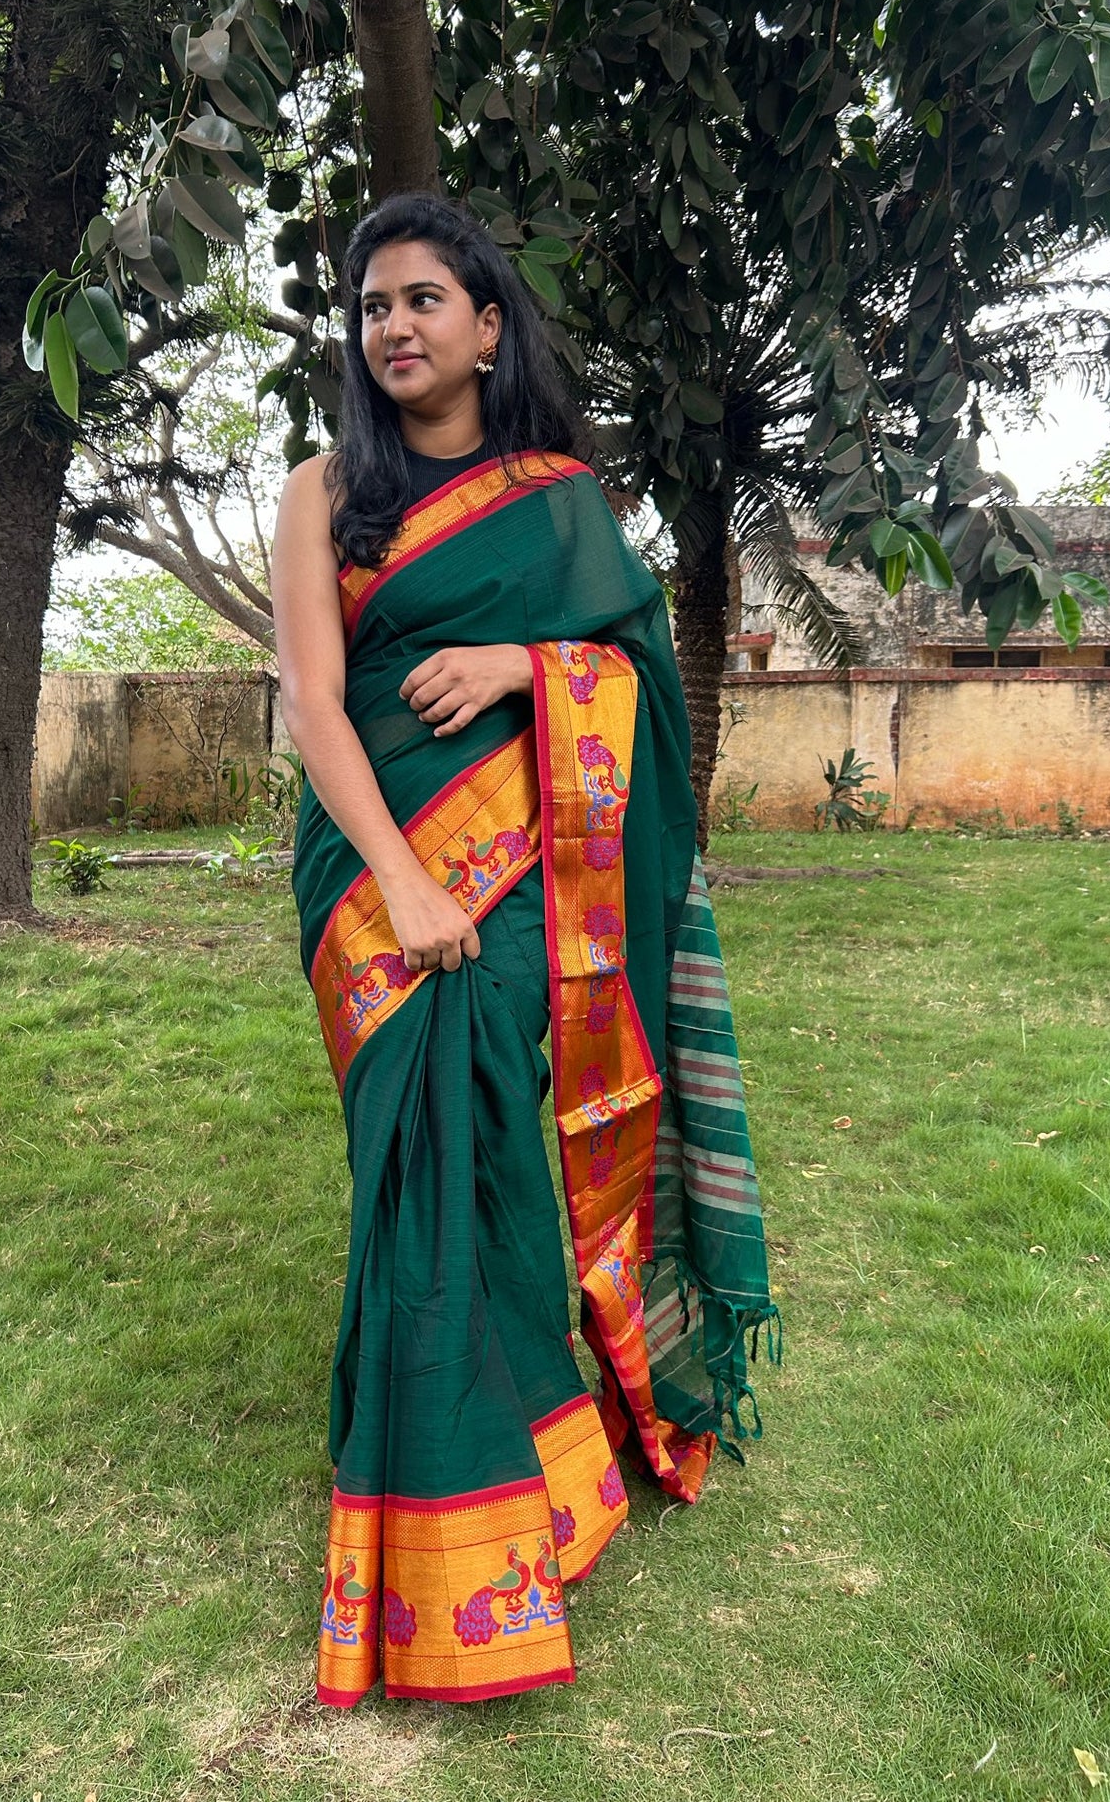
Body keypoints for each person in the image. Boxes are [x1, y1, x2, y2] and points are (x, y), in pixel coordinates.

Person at [270, 191, 778, 1709]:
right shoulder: (321, 495)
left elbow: (641, 688)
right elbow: (311, 705)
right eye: (372, 307)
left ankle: (524, 1455)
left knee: (487, 1147)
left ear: (488, 326)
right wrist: (404, 885)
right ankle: (443, 1495)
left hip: (520, 894)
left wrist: (523, 664)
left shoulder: (558, 501)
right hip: (376, 880)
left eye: (423, 298)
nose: (395, 327)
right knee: (407, 1156)